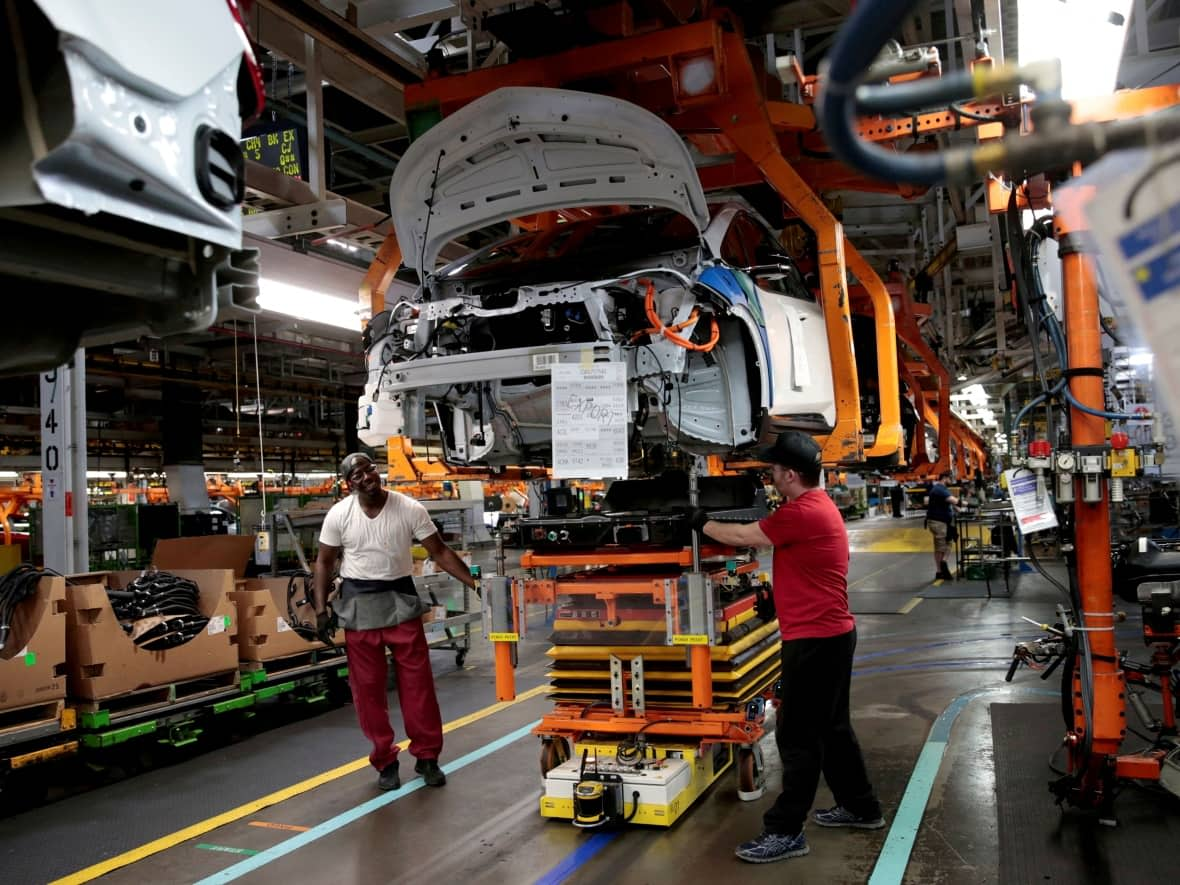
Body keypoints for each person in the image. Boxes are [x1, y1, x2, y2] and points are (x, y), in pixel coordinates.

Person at [690, 431, 884, 864]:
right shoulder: (817, 506)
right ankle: (861, 805)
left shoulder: (804, 512)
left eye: (774, 470)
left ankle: (786, 831)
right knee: (832, 728)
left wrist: (700, 521)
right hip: (829, 635)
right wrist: (779, 599)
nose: (771, 477)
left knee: (798, 734)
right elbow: (804, 565)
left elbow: (746, 537)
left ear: (791, 474)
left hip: (815, 640)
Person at [312, 452, 478, 791]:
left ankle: (427, 757)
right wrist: (320, 609)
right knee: (368, 691)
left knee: (418, 686)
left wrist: (478, 586)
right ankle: (385, 761)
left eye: (369, 470)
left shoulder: (409, 508)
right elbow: (324, 562)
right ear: (349, 484)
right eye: (357, 475)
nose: (366, 477)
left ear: (377, 471)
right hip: (359, 605)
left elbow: (440, 552)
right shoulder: (339, 515)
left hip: (400, 600)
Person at [925, 471, 959, 582]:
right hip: (938, 523)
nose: (952, 481)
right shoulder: (939, 489)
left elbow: (948, 502)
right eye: (950, 478)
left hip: (941, 522)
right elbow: (953, 500)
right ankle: (942, 567)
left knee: (943, 546)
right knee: (944, 545)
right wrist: (967, 504)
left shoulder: (943, 489)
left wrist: (956, 508)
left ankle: (941, 568)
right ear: (945, 478)